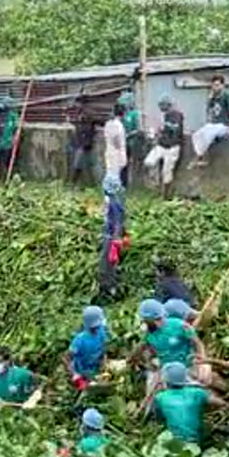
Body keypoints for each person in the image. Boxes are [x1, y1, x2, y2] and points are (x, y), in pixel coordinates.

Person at [135, 298, 207, 395]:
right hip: (166, 370)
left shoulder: (179, 325)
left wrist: (203, 363)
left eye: (159, 319)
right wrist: (148, 362)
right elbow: (143, 349)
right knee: (153, 396)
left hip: (187, 366)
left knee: (202, 388)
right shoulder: (148, 335)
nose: (158, 323)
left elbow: (197, 343)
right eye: (153, 321)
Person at [150, 361, 223, 442]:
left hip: (173, 441)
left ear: (165, 380)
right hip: (195, 440)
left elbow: (158, 417)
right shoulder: (197, 393)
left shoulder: (160, 397)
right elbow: (220, 403)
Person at [96, 171, 127, 303]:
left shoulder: (115, 204)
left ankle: (111, 291)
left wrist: (115, 239)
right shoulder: (111, 201)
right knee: (108, 265)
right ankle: (109, 289)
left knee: (107, 266)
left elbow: (118, 223)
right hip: (109, 237)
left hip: (112, 240)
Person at [191, 75, 229, 168]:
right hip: (214, 124)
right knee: (197, 134)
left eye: (218, 85)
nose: (215, 87)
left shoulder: (228, 95)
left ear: (223, 85)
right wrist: (210, 99)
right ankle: (199, 156)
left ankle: (201, 157)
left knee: (209, 133)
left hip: (224, 125)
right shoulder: (213, 96)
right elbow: (209, 109)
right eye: (214, 85)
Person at [144, 95, 184, 197]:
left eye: (162, 105)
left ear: (167, 105)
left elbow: (175, 129)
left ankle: (166, 195)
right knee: (149, 162)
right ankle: (155, 184)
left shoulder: (177, 115)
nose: (160, 108)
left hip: (173, 146)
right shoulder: (165, 115)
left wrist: (164, 127)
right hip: (162, 145)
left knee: (167, 172)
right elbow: (164, 130)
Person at [65, 306, 109, 390]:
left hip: (96, 371)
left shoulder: (102, 331)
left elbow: (103, 349)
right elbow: (66, 358)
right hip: (82, 373)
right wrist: (75, 375)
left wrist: (104, 363)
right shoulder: (80, 340)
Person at [67, 94, 99, 186]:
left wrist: (86, 141)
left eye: (77, 103)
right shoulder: (81, 113)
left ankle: (73, 184)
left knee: (79, 164)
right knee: (84, 164)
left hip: (84, 143)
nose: (76, 105)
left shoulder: (87, 114)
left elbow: (88, 128)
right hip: (81, 142)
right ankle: (86, 184)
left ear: (81, 103)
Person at [120, 92, 143, 186]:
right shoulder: (122, 114)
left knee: (127, 163)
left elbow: (138, 129)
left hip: (130, 142)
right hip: (121, 143)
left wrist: (128, 134)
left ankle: (126, 185)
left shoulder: (134, 113)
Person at [0, 97, 20, 179]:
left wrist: (15, 138)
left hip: (8, 142)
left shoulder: (13, 116)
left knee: (6, 161)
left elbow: (16, 129)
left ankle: (7, 176)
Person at [104, 102, 128, 189]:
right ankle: (113, 197)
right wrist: (122, 156)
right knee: (115, 175)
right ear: (123, 113)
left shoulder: (108, 124)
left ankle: (108, 196)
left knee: (109, 172)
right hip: (116, 152)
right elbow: (117, 141)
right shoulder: (119, 125)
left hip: (108, 150)